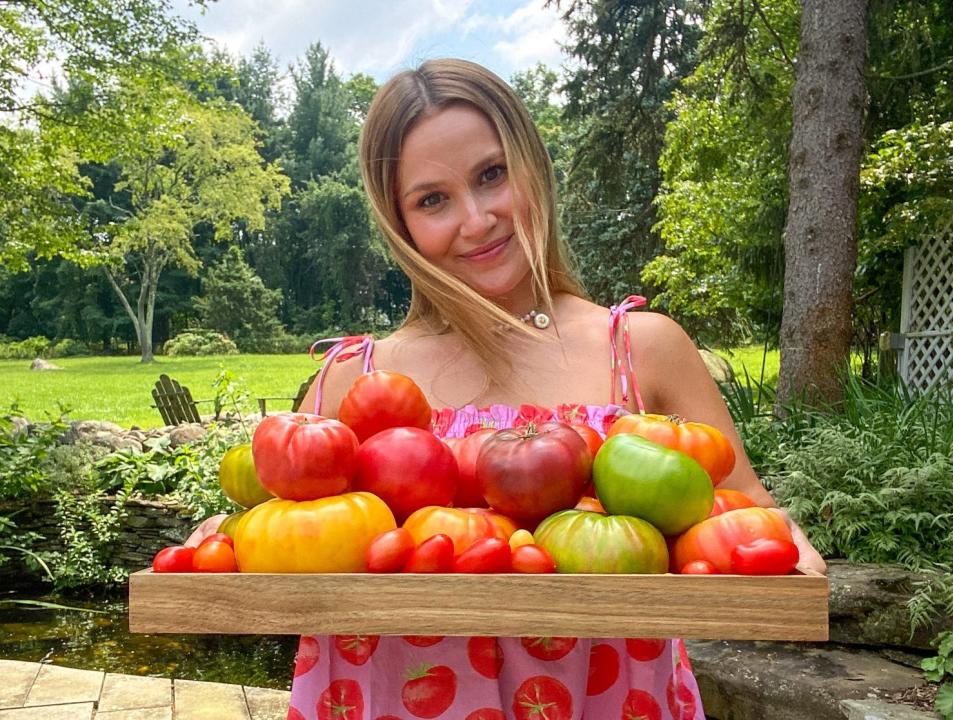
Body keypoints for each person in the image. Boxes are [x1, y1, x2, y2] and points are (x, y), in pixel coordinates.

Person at [272, 58, 827, 720]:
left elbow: (739, 509)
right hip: (392, 693)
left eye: (490, 174)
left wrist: (783, 542)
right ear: (399, 223)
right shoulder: (352, 376)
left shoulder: (640, 347)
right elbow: (278, 530)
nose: (476, 220)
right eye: (431, 199)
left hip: (605, 694)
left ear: (532, 166)